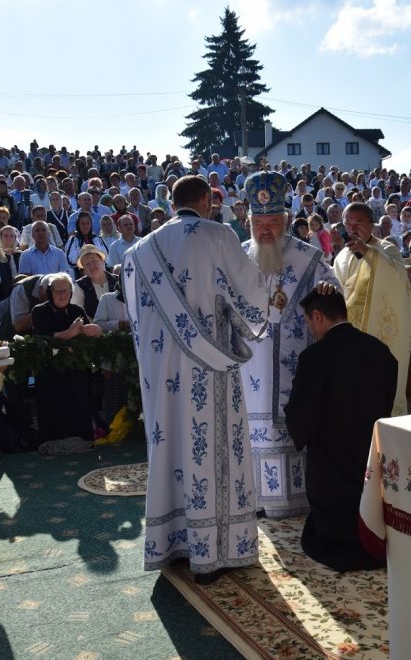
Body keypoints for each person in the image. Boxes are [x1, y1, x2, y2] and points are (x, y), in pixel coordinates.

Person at [122, 175, 270, 583]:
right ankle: (214, 550)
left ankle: (173, 542)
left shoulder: (139, 250)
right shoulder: (217, 234)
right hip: (209, 366)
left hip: (160, 370)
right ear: (205, 200)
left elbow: (136, 318)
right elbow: (251, 300)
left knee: (171, 444)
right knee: (212, 446)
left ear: (172, 203)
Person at [239, 171, 341, 519]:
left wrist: (329, 293)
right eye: (258, 222)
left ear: (285, 220)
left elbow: (333, 293)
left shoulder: (309, 258)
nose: (265, 230)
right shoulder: (239, 258)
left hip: (294, 365)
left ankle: (293, 500)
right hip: (249, 369)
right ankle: (255, 499)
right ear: (248, 221)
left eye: (272, 222)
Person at [284, 289, 394, 572]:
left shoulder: (314, 357)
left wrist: (299, 431)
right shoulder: (380, 351)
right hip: (369, 459)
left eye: (309, 322)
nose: (310, 329)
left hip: (329, 468)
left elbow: (301, 415)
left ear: (318, 317)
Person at [333, 202, 411, 416]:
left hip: (376, 334)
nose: (352, 227)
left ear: (371, 224)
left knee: (376, 395)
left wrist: (369, 253)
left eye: (358, 222)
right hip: (348, 333)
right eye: (348, 222)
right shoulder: (342, 256)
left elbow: (399, 279)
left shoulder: (386, 249)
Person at [31, 273, 102, 443]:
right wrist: (69, 334)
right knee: (55, 409)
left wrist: (96, 331)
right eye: (58, 291)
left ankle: (83, 442)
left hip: (76, 370)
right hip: (50, 371)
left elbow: (88, 333)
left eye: (66, 291)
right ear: (50, 292)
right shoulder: (39, 311)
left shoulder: (77, 310)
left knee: (79, 403)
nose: (62, 295)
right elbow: (42, 338)